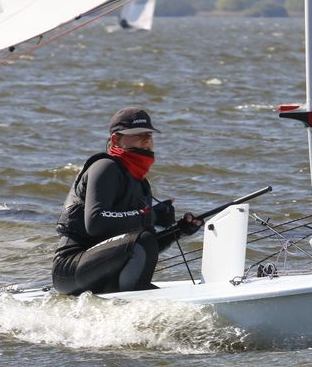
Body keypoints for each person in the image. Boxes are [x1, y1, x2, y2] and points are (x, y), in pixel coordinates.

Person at [51, 107, 202, 295]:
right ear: (116, 140)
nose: (147, 140)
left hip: (100, 272)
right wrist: (152, 216)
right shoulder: (105, 167)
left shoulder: (140, 184)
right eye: (138, 135)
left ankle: (141, 299)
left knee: (145, 239)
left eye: (149, 135)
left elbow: (143, 247)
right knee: (143, 238)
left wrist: (178, 231)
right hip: (69, 270)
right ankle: (144, 302)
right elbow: (95, 223)